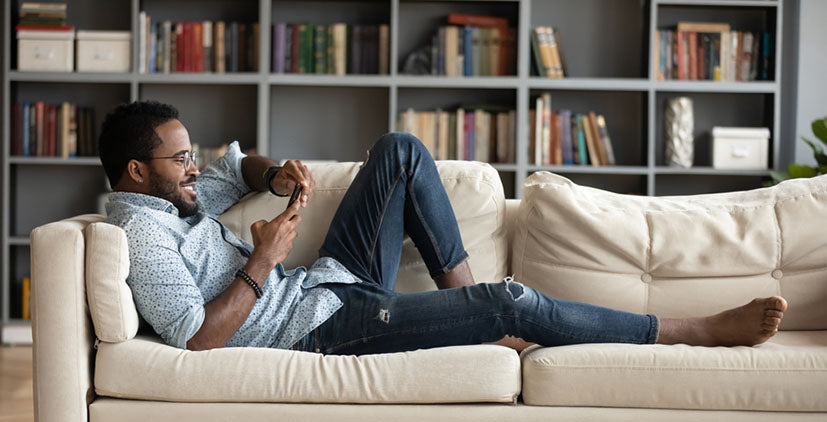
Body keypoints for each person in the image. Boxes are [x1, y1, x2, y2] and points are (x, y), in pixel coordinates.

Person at [99, 100, 787, 355]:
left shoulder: (179, 198)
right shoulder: (143, 236)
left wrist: (272, 172)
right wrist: (261, 259)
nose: (193, 168)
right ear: (136, 171)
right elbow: (194, 336)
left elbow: (232, 165)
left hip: (325, 284)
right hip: (318, 329)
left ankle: (479, 311)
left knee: (400, 148)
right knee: (509, 301)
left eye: (188, 154)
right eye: (178, 158)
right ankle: (695, 330)